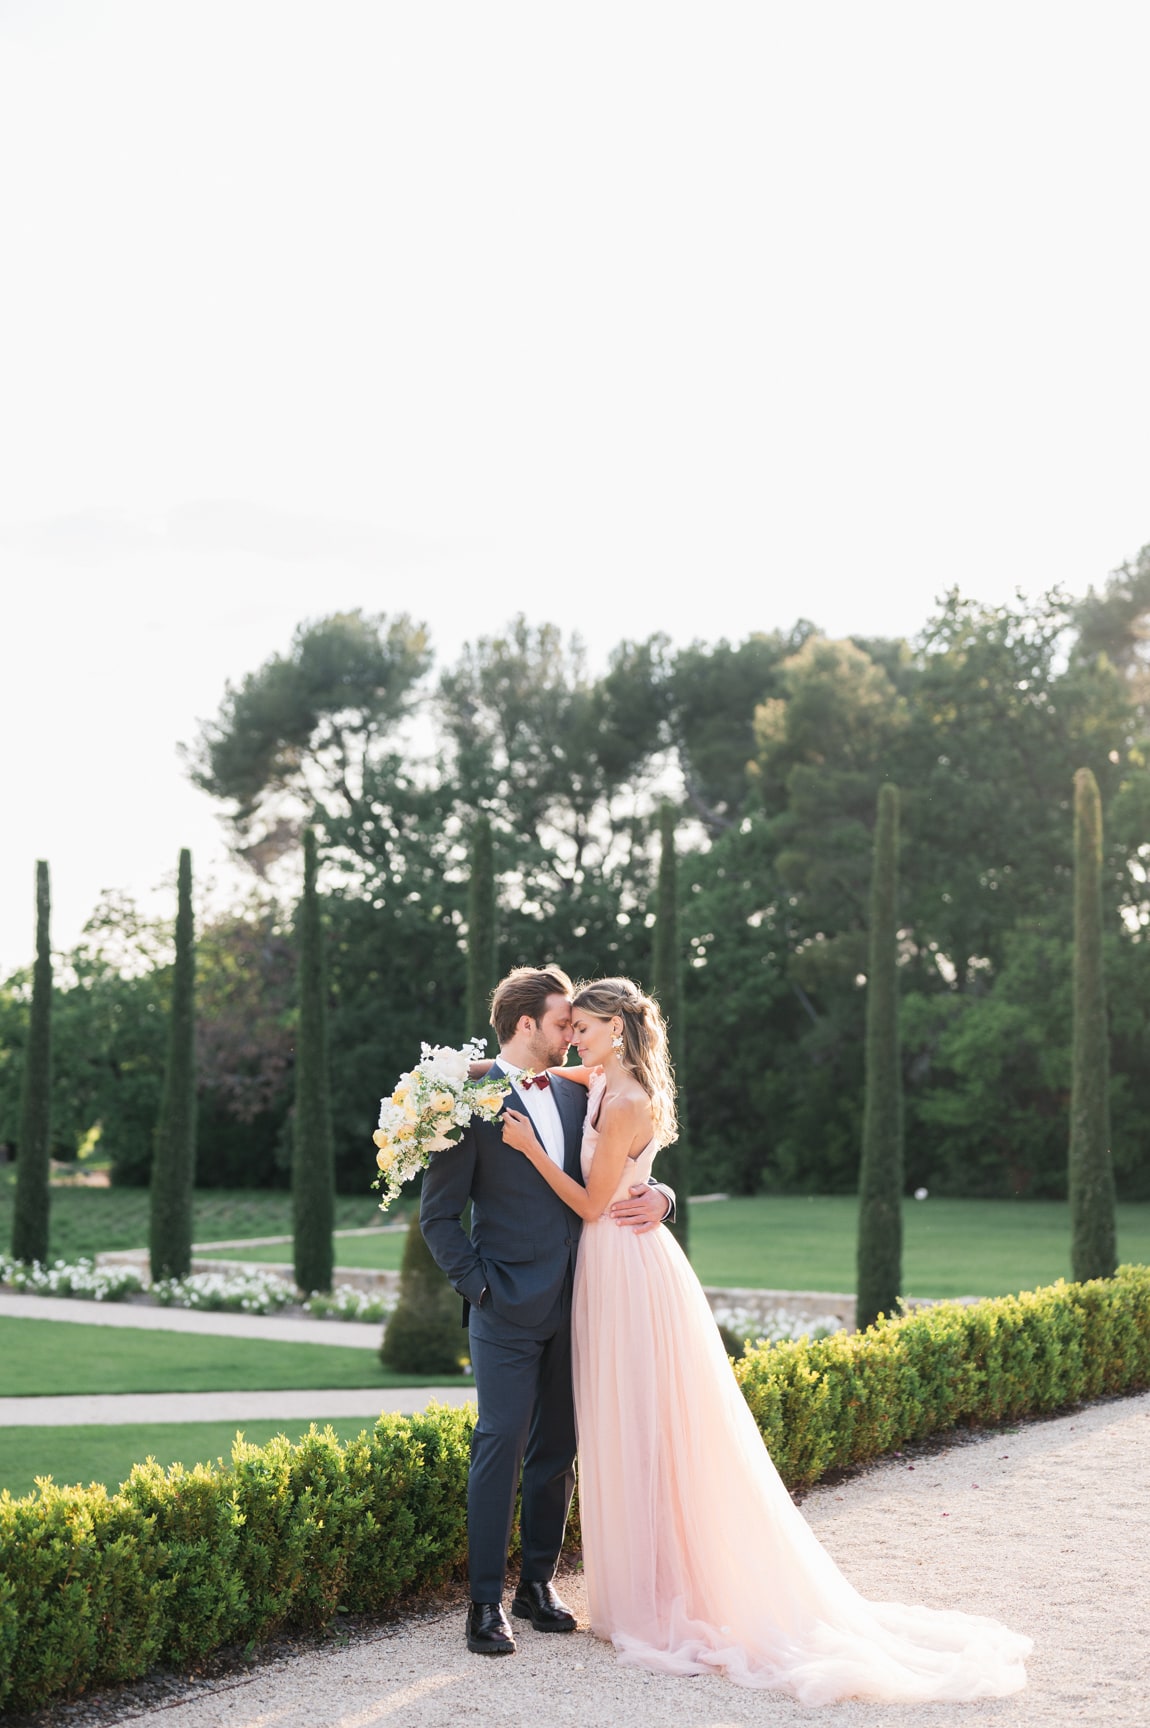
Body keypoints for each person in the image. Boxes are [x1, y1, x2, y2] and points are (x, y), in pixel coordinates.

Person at [498, 976, 1033, 1704]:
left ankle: (659, 1598)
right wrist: (461, 1074)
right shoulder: (599, 1075)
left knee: (643, 1428)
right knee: (621, 1427)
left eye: (583, 1028)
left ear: (613, 1032)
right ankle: (640, 1588)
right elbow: (529, 1069)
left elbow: (595, 1202)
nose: (573, 1040)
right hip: (615, 1264)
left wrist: (530, 1149)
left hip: (623, 1266)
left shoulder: (624, 1099)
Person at [419, 965, 675, 1658]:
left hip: (587, 1297)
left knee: (557, 1451)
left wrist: (664, 1197)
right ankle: (482, 1604)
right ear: (527, 1023)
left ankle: (537, 1585)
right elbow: (439, 1217)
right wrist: (481, 1289)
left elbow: (623, 1156)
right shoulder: (465, 1100)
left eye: (577, 1025)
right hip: (503, 1305)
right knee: (499, 1446)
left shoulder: (578, 1088)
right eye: (564, 1022)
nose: (574, 1034)